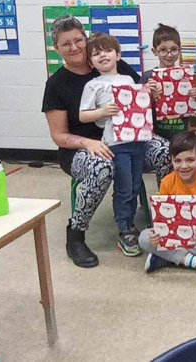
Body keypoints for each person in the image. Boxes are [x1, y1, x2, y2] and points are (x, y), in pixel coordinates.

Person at [42, 15, 171, 268]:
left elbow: (139, 98)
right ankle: (76, 234)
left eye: (78, 40)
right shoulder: (56, 84)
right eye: (66, 44)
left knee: (166, 151)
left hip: (129, 139)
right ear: (57, 49)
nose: (75, 47)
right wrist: (88, 143)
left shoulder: (114, 66)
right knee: (102, 167)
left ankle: (166, 216)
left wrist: (152, 93)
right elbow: (58, 135)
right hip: (82, 147)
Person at [78, 33, 149, 256]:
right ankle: (124, 227)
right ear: (91, 62)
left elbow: (140, 106)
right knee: (124, 188)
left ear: (118, 54)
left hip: (138, 140)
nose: (102, 56)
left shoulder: (128, 80)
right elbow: (83, 115)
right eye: (96, 54)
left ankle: (131, 219)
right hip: (116, 144)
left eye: (107, 51)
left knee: (135, 185)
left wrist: (149, 94)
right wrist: (102, 111)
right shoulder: (93, 85)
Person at [140, 132, 196, 275]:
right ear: (172, 160)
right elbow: (161, 219)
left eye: (190, 160)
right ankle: (194, 261)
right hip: (175, 236)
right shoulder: (167, 182)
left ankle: (167, 257)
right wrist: (156, 235)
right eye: (178, 161)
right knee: (144, 238)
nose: (184, 166)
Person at [141, 23, 196, 186]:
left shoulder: (186, 75)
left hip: (180, 132)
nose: (169, 54)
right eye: (163, 50)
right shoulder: (149, 76)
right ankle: (166, 196)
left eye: (174, 49)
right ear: (155, 51)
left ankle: (186, 196)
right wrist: (149, 96)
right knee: (167, 160)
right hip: (157, 134)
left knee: (190, 159)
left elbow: (192, 108)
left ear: (180, 50)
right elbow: (138, 110)